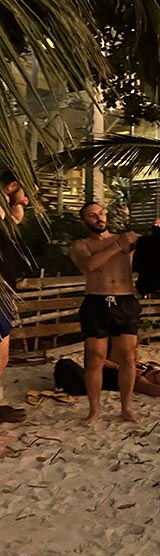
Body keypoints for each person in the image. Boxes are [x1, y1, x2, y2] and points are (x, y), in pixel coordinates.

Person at [70, 202, 160, 426]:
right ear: (84, 221)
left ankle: (126, 407)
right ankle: (94, 411)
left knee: (128, 358)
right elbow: (90, 266)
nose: (99, 218)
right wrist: (117, 246)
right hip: (96, 303)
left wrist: (158, 232)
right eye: (92, 215)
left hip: (125, 301)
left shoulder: (128, 238)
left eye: (101, 213)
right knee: (94, 358)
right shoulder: (80, 244)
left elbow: (154, 249)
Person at [0, 172, 30, 436]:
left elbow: (16, 217)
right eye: (25, 193)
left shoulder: (6, 213)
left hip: (5, 292)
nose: (28, 200)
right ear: (11, 186)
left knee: (3, 357)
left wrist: (15, 198)